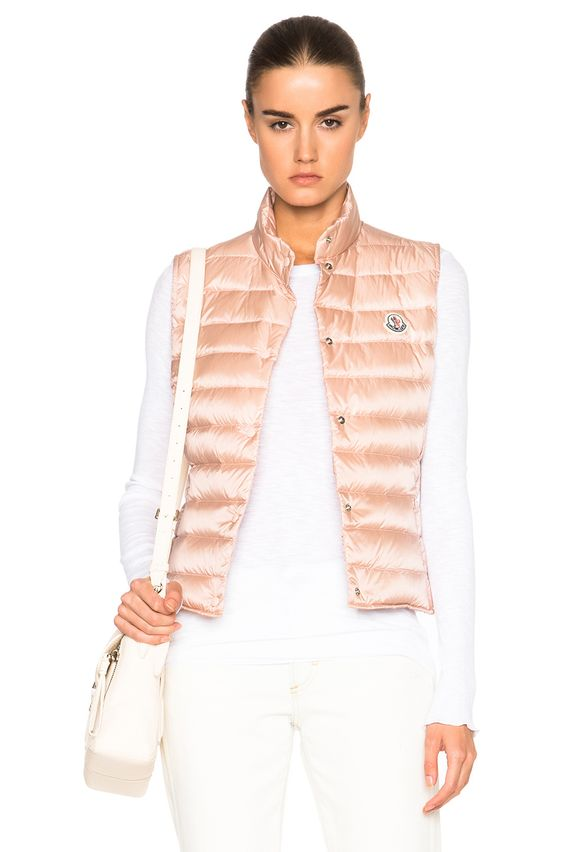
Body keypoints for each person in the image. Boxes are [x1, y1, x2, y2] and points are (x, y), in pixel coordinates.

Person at [116, 14, 478, 852]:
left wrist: (456, 698)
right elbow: (146, 487)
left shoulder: (430, 278)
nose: (306, 149)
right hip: (212, 659)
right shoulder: (191, 283)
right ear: (248, 121)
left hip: (376, 656)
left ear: (364, 117)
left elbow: (443, 494)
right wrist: (143, 580)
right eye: (281, 122)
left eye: (331, 120)